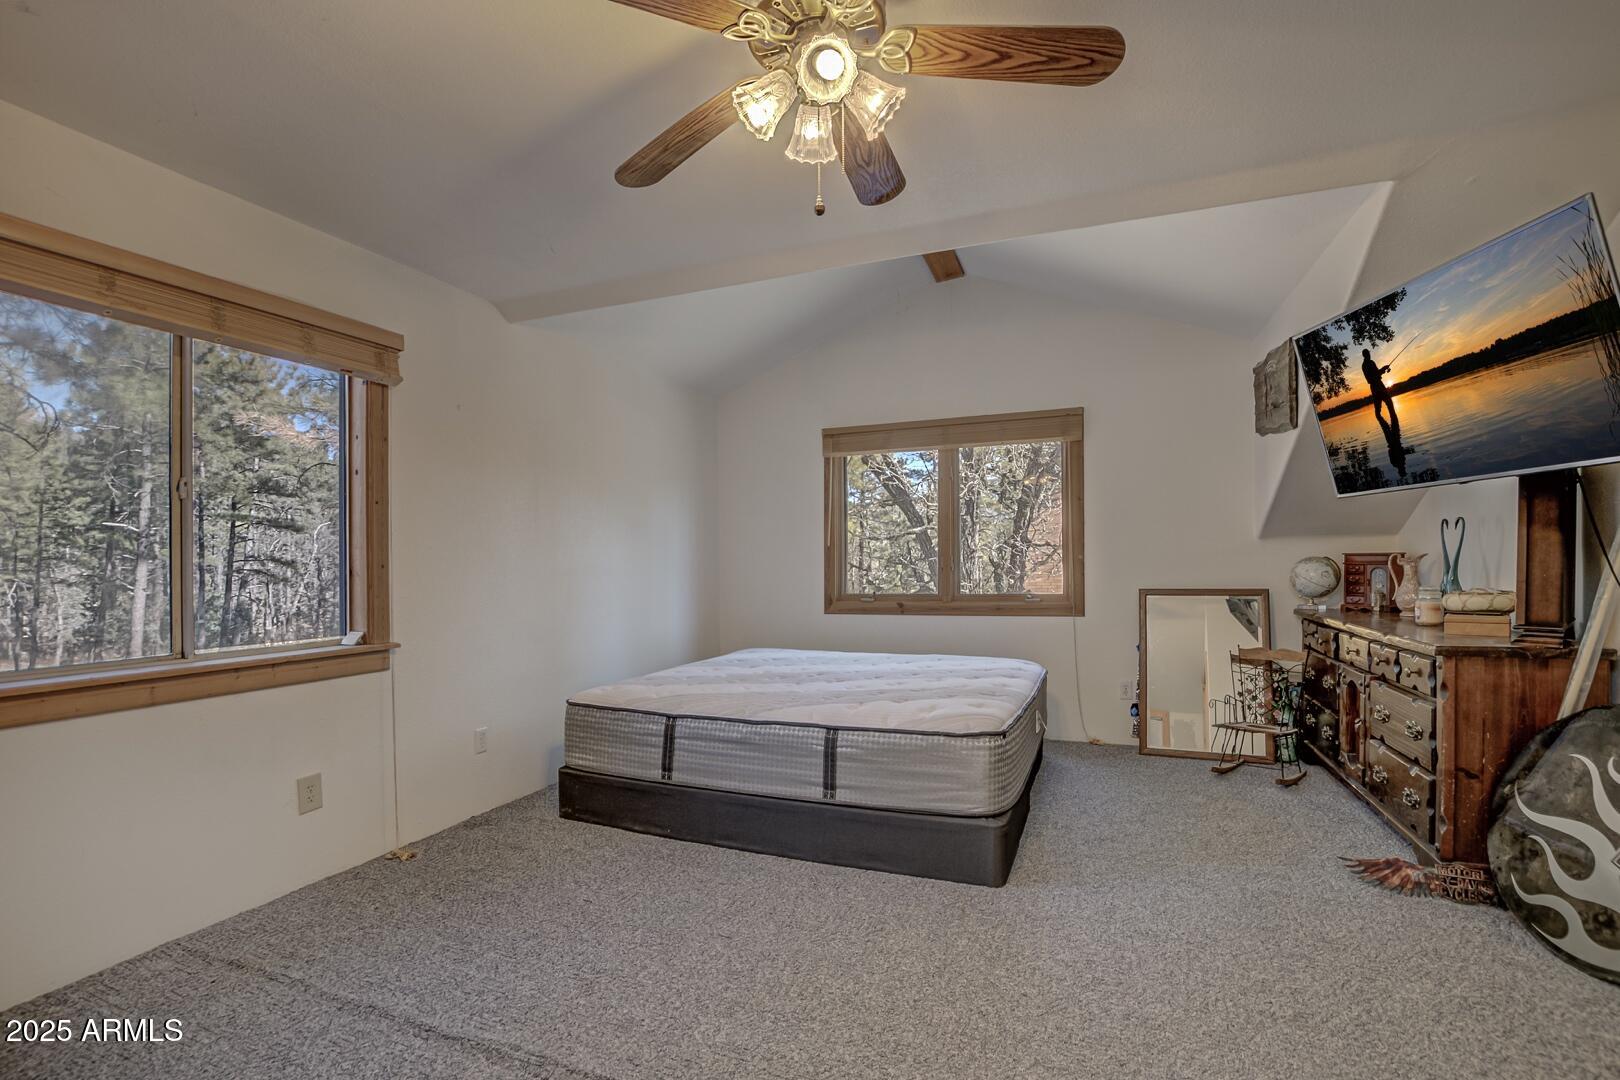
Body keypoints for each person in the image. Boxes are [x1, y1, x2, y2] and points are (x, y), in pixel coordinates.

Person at [1360, 347, 1396, 425]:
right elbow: (1375, 374)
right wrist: (1383, 369)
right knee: (1389, 404)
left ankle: (1386, 426)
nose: (1370, 355)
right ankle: (1393, 425)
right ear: (1366, 355)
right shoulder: (1368, 364)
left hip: (1375, 387)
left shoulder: (1366, 364)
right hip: (1377, 386)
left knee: (1378, 410)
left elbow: (1377, 373)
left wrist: (1383, 370)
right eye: (1368, 353)